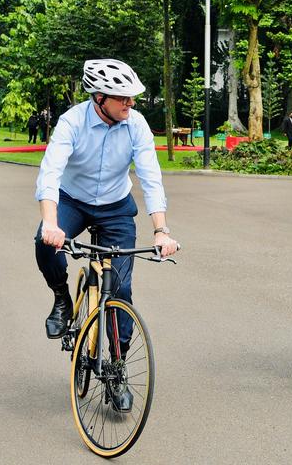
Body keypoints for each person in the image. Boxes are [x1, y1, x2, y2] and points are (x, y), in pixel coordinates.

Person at [35, 58, 179, 412]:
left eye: (131, 98)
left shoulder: (136, 125)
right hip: (73, 201)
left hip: (116, 207)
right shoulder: (72, 122)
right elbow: (50, 173)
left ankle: (117, 369)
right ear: (99, 98)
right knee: (43, 242)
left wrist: (161, 229)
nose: (130, 104)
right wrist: (51, 224)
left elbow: (150, 177)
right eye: (123, 98)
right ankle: (61, 298)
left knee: (122, 289)